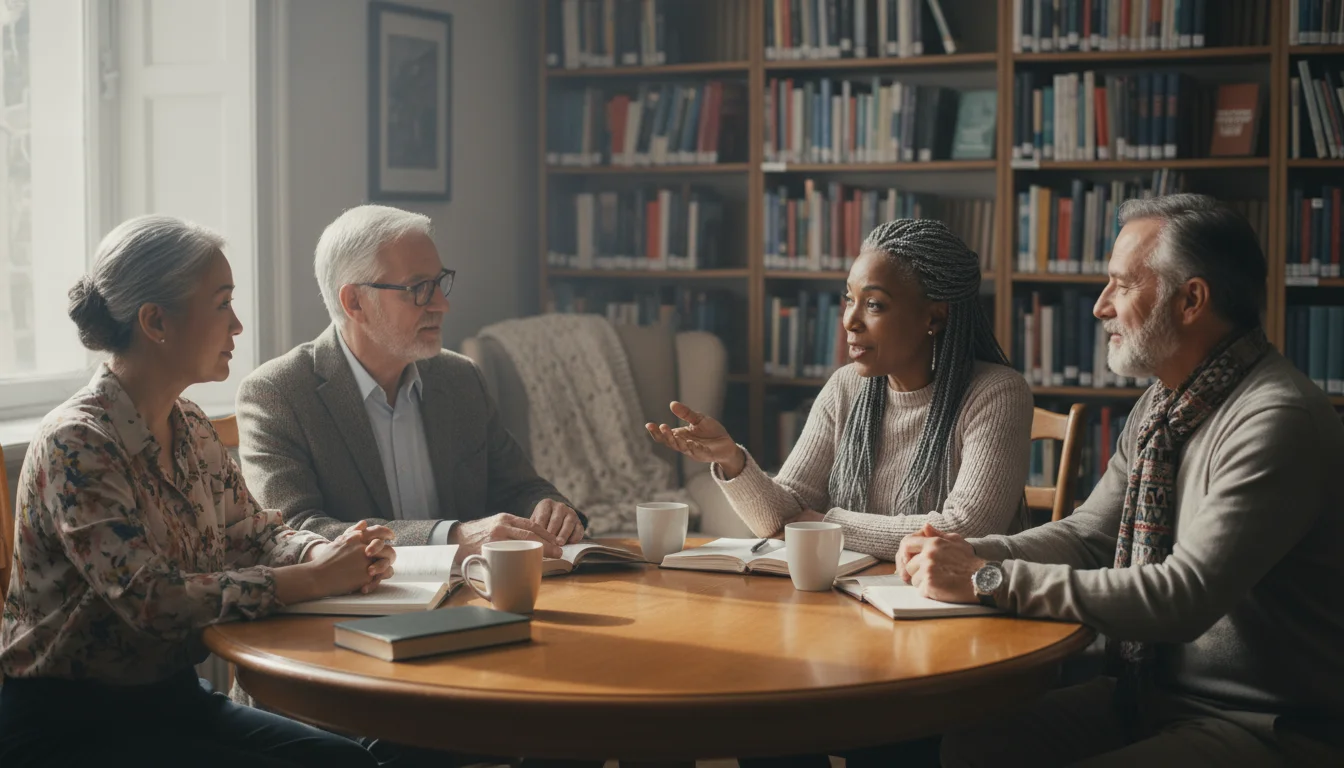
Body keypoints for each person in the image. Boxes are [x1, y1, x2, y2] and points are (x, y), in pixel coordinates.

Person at [898, 195, 1344, 767]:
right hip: (1149, 694)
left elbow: (1184, 597)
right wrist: (964, 552)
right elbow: (1089, 535)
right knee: (971, 744)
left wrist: (988, 578)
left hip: (1264, 724)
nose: (1099, 307)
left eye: (1122, 285)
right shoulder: (1164, 405)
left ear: (1192, 300)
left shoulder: (1277, 419)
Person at [0, 215, 395, 767]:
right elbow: (151, 601)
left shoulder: (189, 425)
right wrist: (310, 579)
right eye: (221, 304)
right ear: (155, 321)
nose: (237, 325)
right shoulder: (77, 444)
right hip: (69, 725)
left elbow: (254, 535)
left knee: (349, 762)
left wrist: (324, 553)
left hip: (170, 702)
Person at [648, 219, 1034, 561]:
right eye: (849, 299)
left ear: (935, 315)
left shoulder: (997, 394)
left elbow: (966, 528)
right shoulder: (846, 387)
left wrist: (828, 525)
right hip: (857, 595)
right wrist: (732, 459)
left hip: (954, 606)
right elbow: (784, 516)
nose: (850, 320)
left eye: (874, 305)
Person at [236, 205, 582, 561]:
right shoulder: (277, 394)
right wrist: (451, 538)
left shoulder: (461, 379)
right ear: (354, 301)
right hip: (360, 609)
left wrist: (548, 508)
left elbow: (518, 486)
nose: (442, 304)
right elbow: (294, 531)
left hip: (476, 595)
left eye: (440, 282)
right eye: (419, 288)